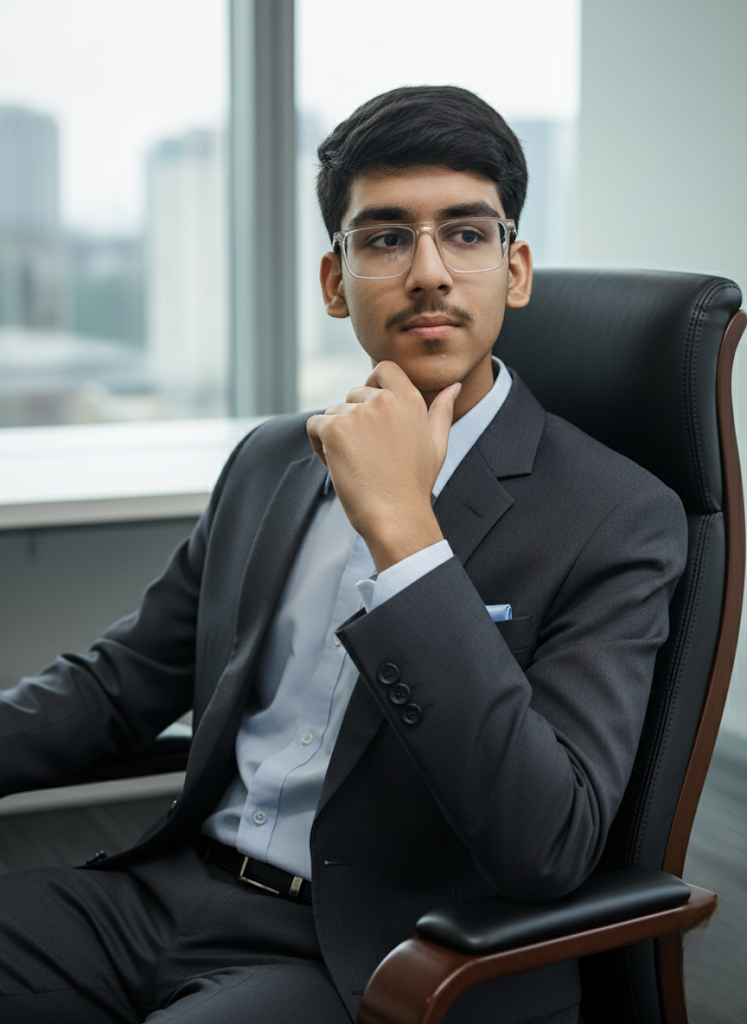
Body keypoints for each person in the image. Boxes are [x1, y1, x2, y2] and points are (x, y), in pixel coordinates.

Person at [0, 86, 687, 1024]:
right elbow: (121, 682)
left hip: (370, 948)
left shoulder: (617, 515)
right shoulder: (272, 459)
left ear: (514, 269)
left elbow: (549, 841)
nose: (430, 272)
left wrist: (405, 534)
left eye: (467, 233)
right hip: (162, 895)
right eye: (385, 237)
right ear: (335, 282)